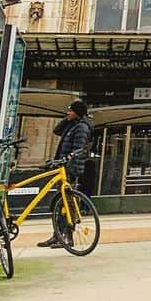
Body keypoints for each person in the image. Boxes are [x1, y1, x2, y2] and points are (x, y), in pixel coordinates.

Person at [37, 100, 93, 249]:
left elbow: (78, 150)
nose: (67, 113)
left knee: (67, 205)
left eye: (71, 111)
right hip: (64, 168)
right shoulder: (72, 125)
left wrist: (67, 162)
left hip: (70, 169)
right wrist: (69, 118)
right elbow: (56, 130)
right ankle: (57, 235)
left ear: (78, 113)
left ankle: (67, 236)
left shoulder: (81, 127)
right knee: (59, 204)